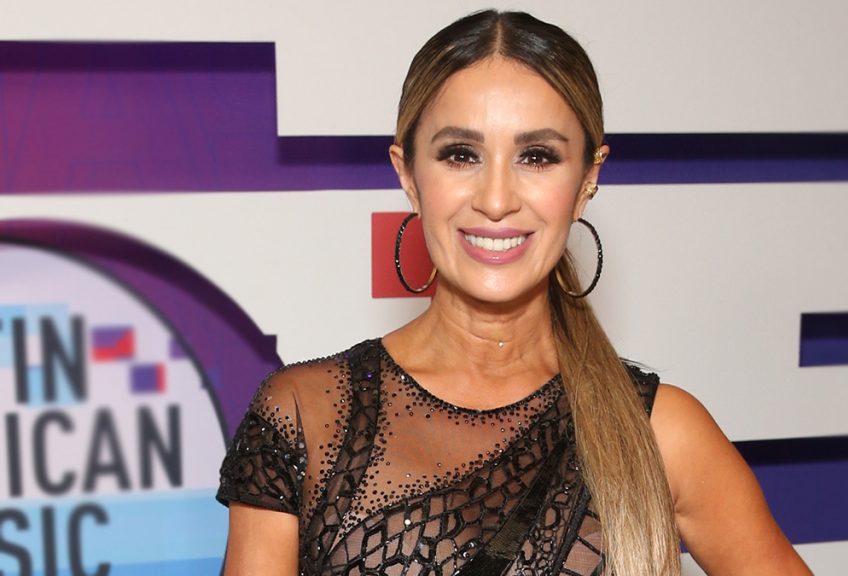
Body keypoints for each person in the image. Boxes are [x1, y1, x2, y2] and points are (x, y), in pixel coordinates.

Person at [217, 9, 811, 576]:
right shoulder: (306, 416)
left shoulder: (660, 433)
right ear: (408, 175)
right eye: (460, 155)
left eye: (537, 157)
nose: (497, 200)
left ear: (587, 180)